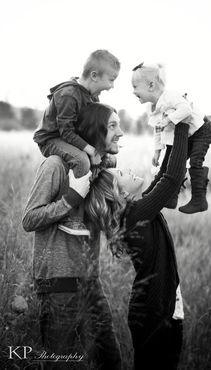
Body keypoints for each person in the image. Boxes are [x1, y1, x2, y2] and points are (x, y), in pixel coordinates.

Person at [79, 114, 189, 369]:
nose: (129, 170)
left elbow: (164, 177)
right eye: (122, 173)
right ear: (119, 192)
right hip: (155, 313)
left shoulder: (136, 211)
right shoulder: (136, 215)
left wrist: (169, 136)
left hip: (158, 308)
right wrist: (182, 122)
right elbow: (172, 179)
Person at [22, 103, 123, 370]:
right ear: (93, 131)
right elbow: (29, 219)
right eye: (113, 126)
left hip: (91, 284)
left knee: (111, 361)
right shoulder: (55, 165)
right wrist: (71, 198)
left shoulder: (98, 170)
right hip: (57, 287)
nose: (121, 133)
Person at [33, 49, 121, 234]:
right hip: (51, 139)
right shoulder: (69, 95)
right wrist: (89, 149)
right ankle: (72, 217)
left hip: (70, 138)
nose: (112, 86)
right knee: (81, 161)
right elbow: (66, 132)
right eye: (111, 80)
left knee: (109, 161)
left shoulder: (91, 95)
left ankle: (97, 208)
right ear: (94, 76)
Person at [131, 62, 211, 214]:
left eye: (135, 86)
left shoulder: (171, 96)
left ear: (151, 85)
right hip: (183, 136)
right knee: (169, 163)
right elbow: (158, 130)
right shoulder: (153, 108)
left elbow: (186, 109)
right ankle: (169, 197)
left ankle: (199, 200)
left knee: (195, 162)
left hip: (201, 130)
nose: (133, 91)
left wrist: (169, 120)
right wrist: (157, 151)